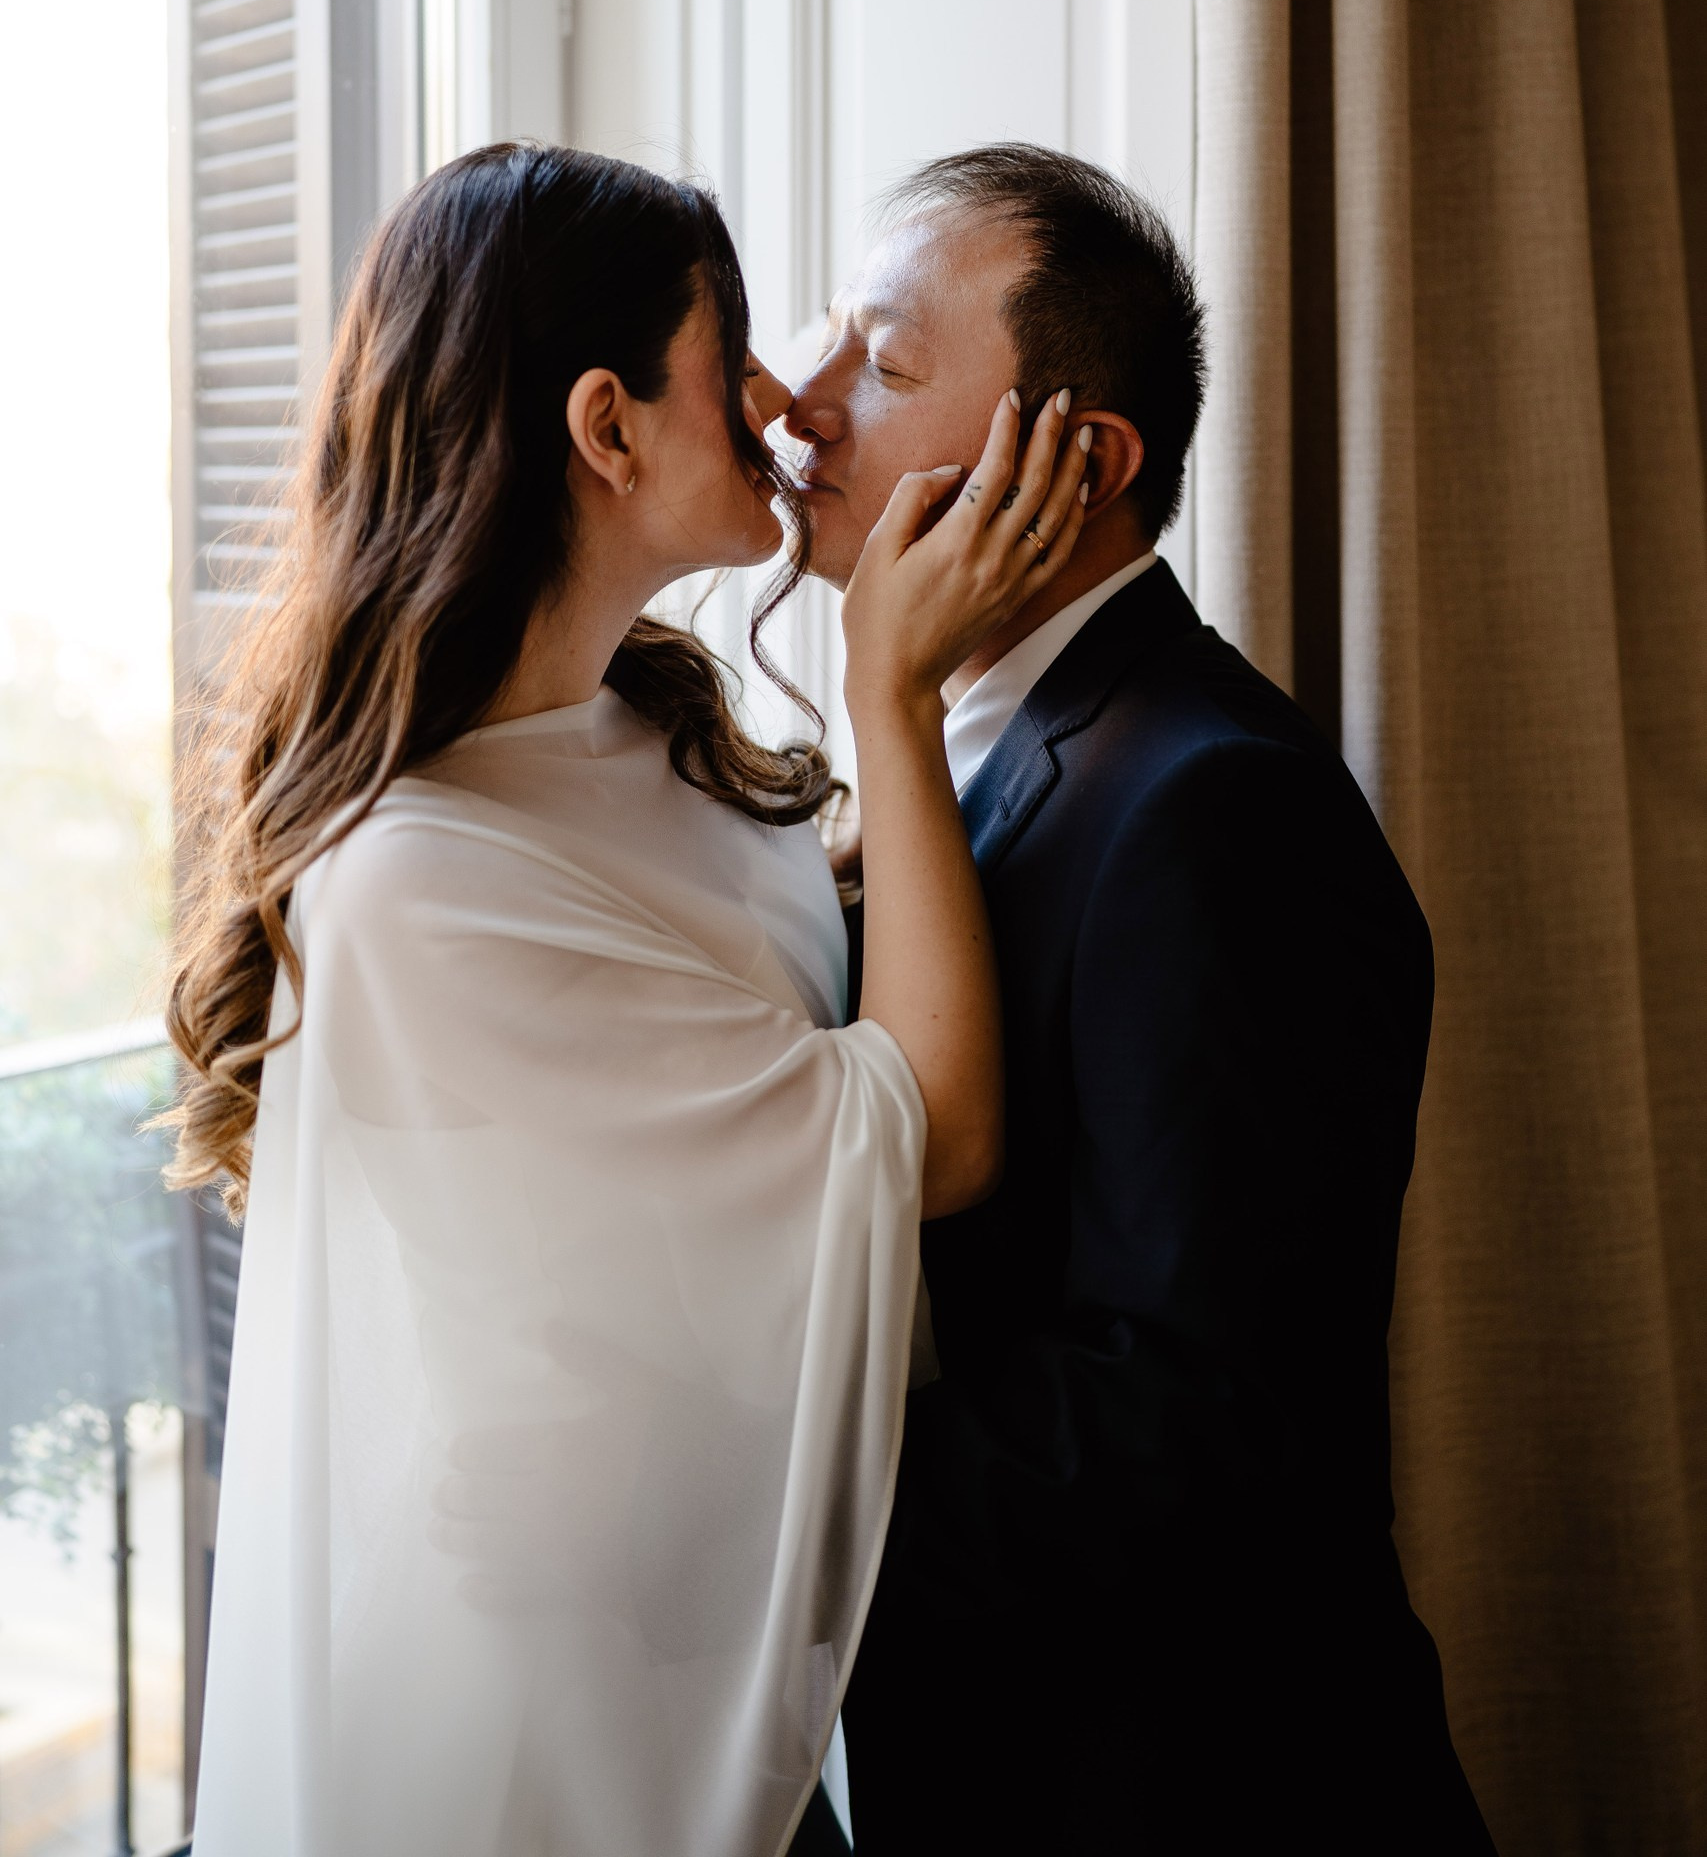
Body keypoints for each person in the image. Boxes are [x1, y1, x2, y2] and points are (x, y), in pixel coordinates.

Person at [161, 141, 1088, 1857]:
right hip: (549, 1735)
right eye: (728, 338)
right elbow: (933, 1142)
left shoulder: (654, 735)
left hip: (715, 1656)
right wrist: (888, 686)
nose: (778, 397)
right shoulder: (415, 883)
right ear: (606, 428)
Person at [787, 144, 1497, 1853]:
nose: (803, 407)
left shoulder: (1210, 806)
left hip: (1189, 1785)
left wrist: (748, 1530)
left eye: (884, 369)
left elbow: (1184, 1409)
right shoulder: (959, 751)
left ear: (1080, 461)